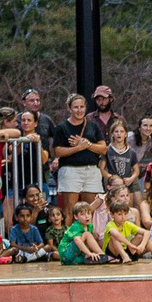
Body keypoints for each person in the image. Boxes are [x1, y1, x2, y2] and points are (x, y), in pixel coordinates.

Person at [50, 93, 107, 221]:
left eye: (82, 107)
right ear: (69, 108)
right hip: (70, 170)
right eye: (76, 107)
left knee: (90, 209)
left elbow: (103, 148)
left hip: (91, 169)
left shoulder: (93, 126)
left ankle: (89, 237)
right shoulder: (62, 127)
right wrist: (77, 148)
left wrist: (87, 144)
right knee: (69, 208)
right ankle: (68, 238)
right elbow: (57, 151)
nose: (79, 110)